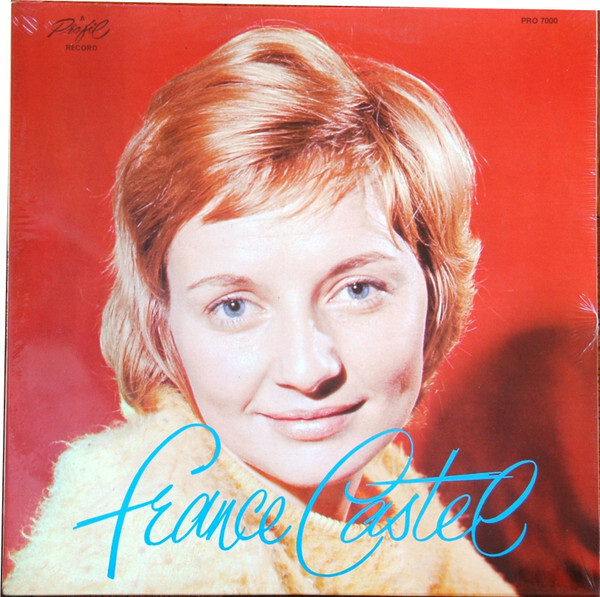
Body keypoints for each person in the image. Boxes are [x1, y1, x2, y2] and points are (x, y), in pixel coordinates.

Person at [4, 27, 516, 595]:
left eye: (358, 290)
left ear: (435, 294)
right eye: (234, 306)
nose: (307, 369)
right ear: (163, 328)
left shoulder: (387, 490)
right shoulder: (145, 552)